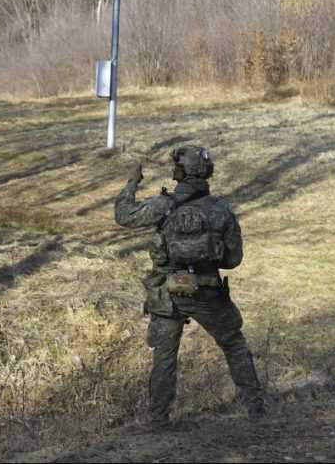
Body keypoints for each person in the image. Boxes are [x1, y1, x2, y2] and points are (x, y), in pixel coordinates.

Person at [114, 145, 265, 427]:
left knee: (165, 356)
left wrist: (132, 182)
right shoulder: (221, 211)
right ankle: (255, 409)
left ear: (178, 172)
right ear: (207, 172)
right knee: (233, 344)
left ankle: (159, 420)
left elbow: (124, 215)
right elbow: (233, 260)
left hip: (169, 293)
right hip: (208, 291)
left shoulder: (163, 206)